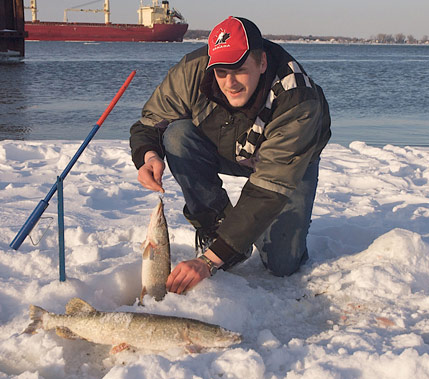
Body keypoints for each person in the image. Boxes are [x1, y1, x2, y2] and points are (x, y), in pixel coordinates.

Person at [129, 16, 331, 294]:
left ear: (261, 63)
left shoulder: (297, 99)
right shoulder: (194, 69)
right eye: (221, 72)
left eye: (239, 70)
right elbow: (152, 121)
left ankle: (245, 238)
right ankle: (218, 226)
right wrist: (149, 156)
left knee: (282, 264)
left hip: (287, 163)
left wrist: (208, 263)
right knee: (176, 136)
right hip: (227, 145)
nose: (230, 82)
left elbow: (270, 187)